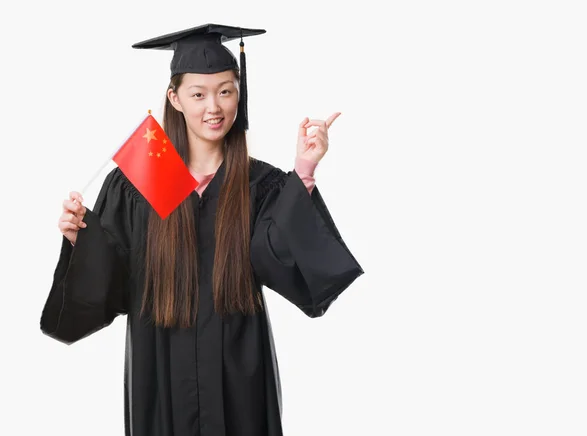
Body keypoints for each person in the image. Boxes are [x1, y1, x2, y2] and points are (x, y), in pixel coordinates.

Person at [40, 23, 364, 436]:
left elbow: (281, 260)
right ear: (174, 98)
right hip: (159, 371)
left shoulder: (257, 184)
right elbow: (116, 281)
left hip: (239, 376)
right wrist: (80, 239)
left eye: (226, 90)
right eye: (198, 94)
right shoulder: (142, 179)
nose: (214, 106)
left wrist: (303, 171)